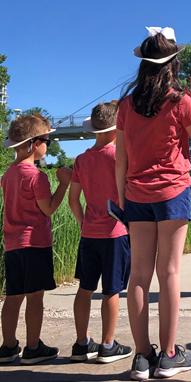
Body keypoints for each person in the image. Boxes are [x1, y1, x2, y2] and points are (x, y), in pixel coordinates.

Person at [116, 26, 191, 381]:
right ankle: (169, 356)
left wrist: (121, 199)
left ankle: (142, 357)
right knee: (169, 272)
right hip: (172, 192)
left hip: (135, 195)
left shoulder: (126, 106)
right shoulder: (180, 102)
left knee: (138, 274)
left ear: (143, 63)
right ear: (173, 63)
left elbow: (121, 161)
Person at [0, 114, 72, 365]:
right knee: (35, 296)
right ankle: (32, 348)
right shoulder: (36, 177)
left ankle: (8, 347)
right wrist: (63, 184)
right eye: (47, 141)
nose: (48, 145)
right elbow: (48, 208)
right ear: (34, 144)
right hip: (35, 244)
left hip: (12, 245)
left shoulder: (8, 174)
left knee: (13, 296)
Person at [68, 101, 132, 363]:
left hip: (89, 234)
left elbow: (73, 200)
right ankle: (107, 345)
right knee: (112, 290)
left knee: (85, 288)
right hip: (115, 233)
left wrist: (83, 223)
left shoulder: (81, 159)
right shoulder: (119, 157)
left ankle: (82, 343)